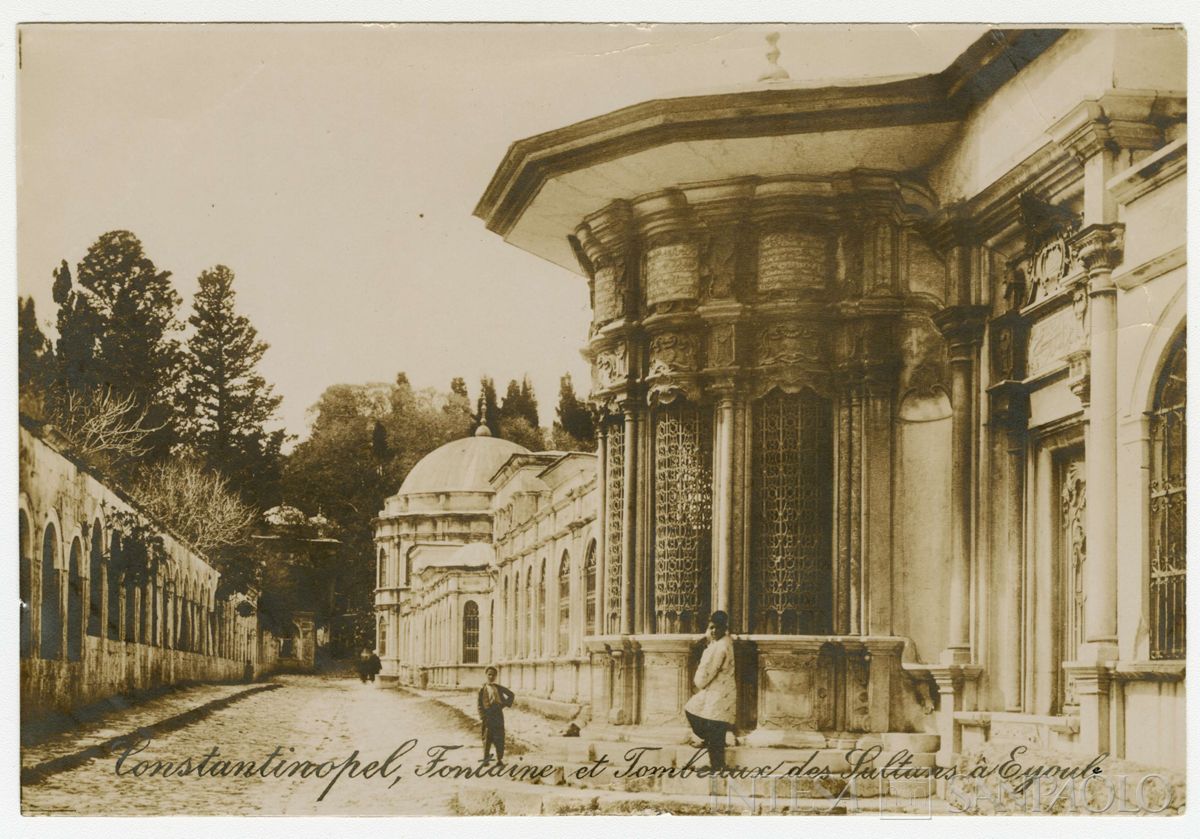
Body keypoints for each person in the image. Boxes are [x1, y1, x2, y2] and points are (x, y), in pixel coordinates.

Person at [684, 610, 737, 771]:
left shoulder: (720, 647)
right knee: (714, 727)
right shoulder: (723, 643)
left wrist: (699, 683)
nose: (713, 631)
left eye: (717, 628)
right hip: (719, 691)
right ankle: (717, 760)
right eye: (711, 628)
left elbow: (709, 671)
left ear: (724, 628)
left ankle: (717, 765)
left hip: (718, 693)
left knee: (709, 723)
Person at [477, 665, 515, 763]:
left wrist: (503, 705)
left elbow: (511, 695)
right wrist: (483, 716)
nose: (491, 677)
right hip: (488, 715)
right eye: (489, 675)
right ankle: (486, 759)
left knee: (500, 736)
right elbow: (479, 704)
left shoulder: (498, 687)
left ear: (496, 676)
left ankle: (499, 759)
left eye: (493, 675)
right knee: (487, 737)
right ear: (486, 675)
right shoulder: (482, 689)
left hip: (498, 715)